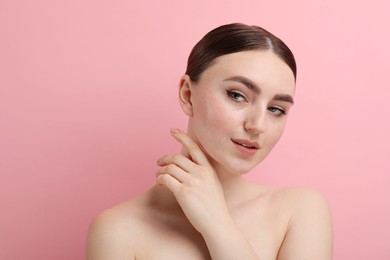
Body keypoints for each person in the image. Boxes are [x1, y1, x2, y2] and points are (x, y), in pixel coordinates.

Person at [87, 23, 333, 260]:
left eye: (276, 109)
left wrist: (217, 223)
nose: (257, 125)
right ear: (187, 95)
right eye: (237, 95)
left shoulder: (300, 212)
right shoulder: (118, 230)